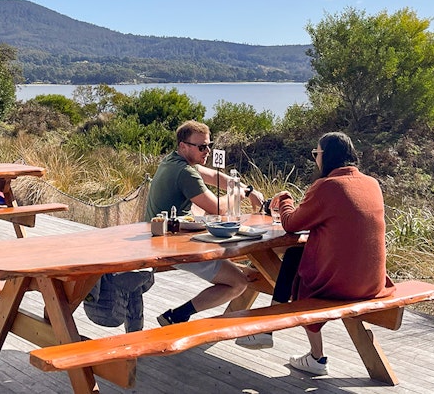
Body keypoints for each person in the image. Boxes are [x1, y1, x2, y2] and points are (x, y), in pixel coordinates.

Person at [268, 132, 394, 376]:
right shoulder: (372, 183)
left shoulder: (327, 186)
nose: (315, 159)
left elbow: (291, 223)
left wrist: (284, 199)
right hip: (373, 282)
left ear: (325, 156)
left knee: (297, 270)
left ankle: (313, 355)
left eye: (316, 154)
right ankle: (267, 331)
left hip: (342, 286)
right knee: (297, 260)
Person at [145, 120, 264, 329]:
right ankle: (179, 315)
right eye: (201, 147)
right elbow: (218, 208)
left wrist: (248, 190)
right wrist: (239, 194)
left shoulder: (173, 161)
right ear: (183, 146)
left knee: (249, 273)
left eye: (209, 145)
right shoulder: (186, 172)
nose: (207, 150)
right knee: (239, 281)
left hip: (164, 237)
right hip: (174, 245)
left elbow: (216, 177)